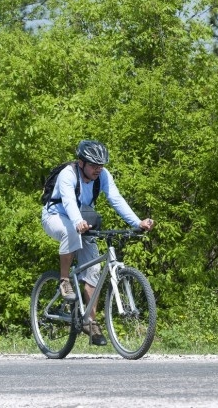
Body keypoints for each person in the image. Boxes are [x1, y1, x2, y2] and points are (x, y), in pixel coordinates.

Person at [41, 140, 155, 346]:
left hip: (82, 221)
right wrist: (77, 222)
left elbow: (116, 198)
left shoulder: (102, 176)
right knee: (72, 234)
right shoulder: (68, 174)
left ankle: (89, 321)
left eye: (101, 165)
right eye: (94, 165)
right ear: (81, 162)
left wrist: (138, 222)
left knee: (94, 269)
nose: (98, 169)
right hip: (55, 216)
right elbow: (67, 201)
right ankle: (65, 280)